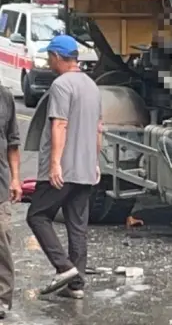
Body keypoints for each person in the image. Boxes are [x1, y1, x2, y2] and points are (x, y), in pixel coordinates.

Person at [26, 35, 102, 299]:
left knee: (36, 215)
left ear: (58, 57)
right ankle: (76, 286)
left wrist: (55, 164)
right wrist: (94, 161)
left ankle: (64, 267)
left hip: (63, 169)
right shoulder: (92, 86)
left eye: (49, 57)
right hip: (84, 170)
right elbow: (98, 129)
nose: (48, 62)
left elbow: (60, 124)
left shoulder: (61, 85)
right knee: (77, 225)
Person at [0, 85, 21, 319]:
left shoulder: (4, 97)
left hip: (0, 183)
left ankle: (2, 300)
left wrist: (15, 178)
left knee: (2, 240)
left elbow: (13, 142)